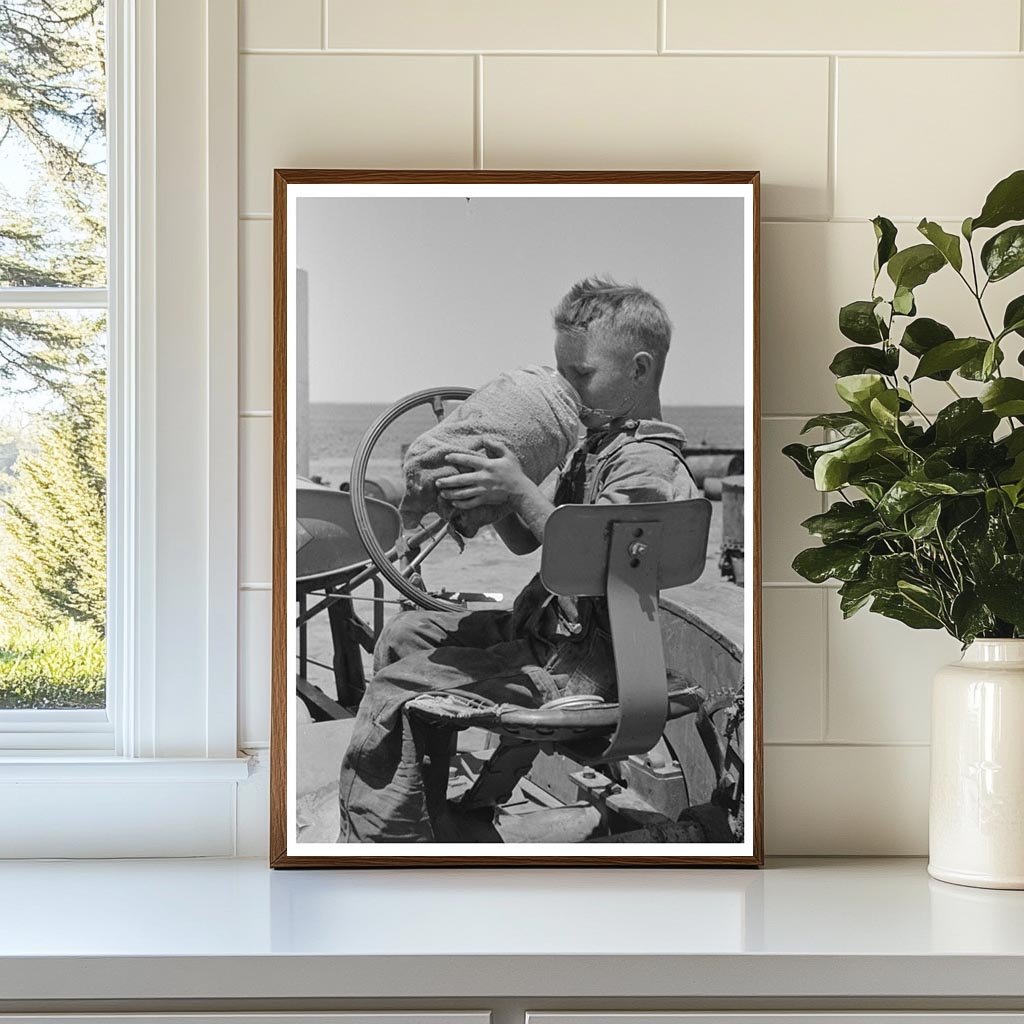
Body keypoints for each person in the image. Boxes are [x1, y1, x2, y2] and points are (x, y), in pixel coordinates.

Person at [336, 276, 700, 843]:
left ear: (639, 370)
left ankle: (383, 842)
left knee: (392, 689)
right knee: (406, 635)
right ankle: (428, 809)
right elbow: (527, 543)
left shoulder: (646, 464)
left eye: (582, 375)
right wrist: (501, 491)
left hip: (587, 667)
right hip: (546, 633)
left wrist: (522, 490)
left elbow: (591, 566)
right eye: (563, 374)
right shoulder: (594, 445)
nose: (569, 390)